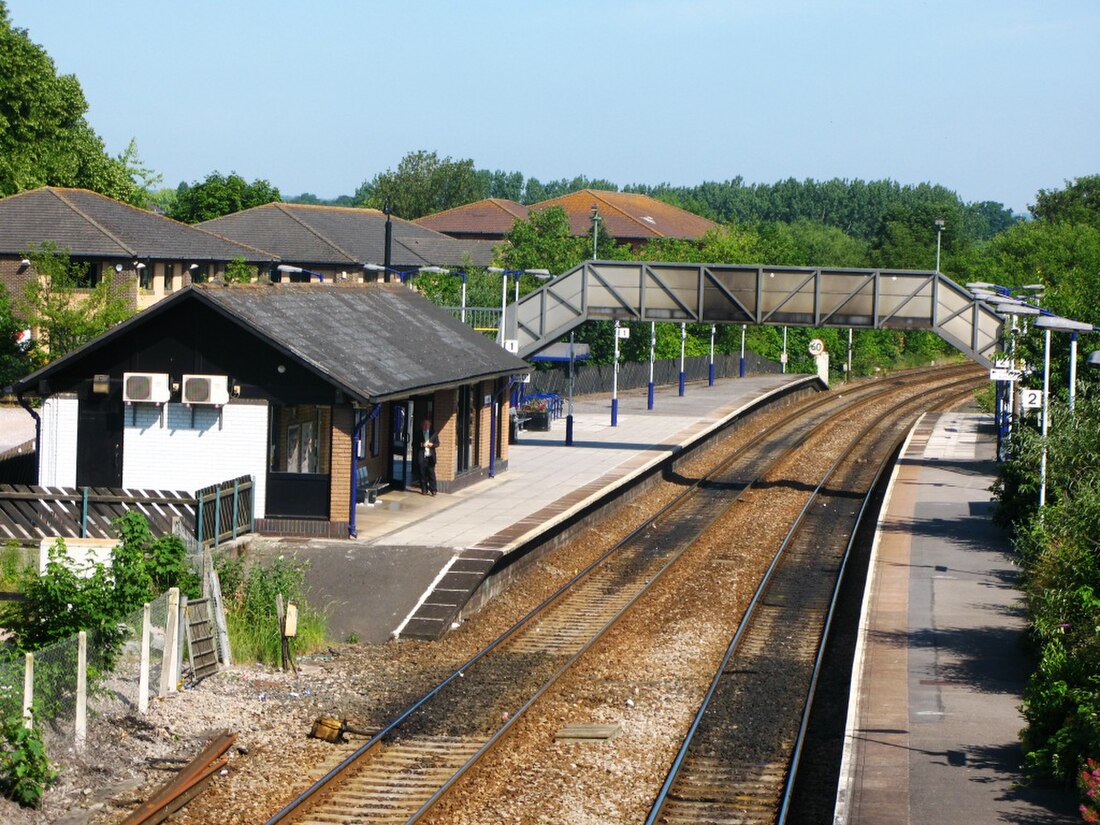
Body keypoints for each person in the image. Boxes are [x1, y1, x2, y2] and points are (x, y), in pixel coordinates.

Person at [416, 419, 440, 495]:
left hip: (430, 456)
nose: (425, 426)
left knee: (431, 473)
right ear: (422, 425)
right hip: (422, 455)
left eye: (427, 425)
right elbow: (414, 444)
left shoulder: (433, 433)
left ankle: (433, 489)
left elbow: (437, 443)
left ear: (429, 425)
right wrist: (421, 444)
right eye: (424, 425)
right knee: (422, 473)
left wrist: (432, 445)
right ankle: (424, 489)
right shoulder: (418, 433)